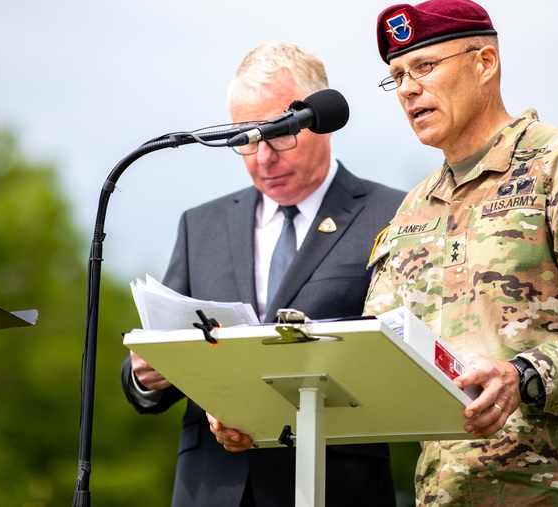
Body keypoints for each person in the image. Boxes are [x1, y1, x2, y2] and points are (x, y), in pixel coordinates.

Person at [364, 0, 558, 506]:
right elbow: (379, 346)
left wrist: (522, 375)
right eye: (396, 76)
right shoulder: (412, 210)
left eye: (425, 66)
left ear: (485, 63)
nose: (408, 89)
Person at [121, 41, 405, 507]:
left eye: (278, 134)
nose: (262, 157)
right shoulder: (201, 225)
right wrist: (146, 375)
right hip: (212, 487)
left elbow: (406, 360)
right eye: (243, 138)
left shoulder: (391, 214)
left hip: (337, 485)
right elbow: (148, 371)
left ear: (322, 121)